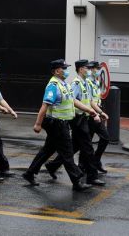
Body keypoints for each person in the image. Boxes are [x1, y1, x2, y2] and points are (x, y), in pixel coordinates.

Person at [22, 59, 92, 191]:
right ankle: (77, 181)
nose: (66, 70)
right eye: (64, 68)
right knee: (67, 152)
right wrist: (38, 124)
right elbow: (44, 106)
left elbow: (73, 101)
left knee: (47, 150)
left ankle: (29, 173)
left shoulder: (63, 84)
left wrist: (89, 110)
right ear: (56, 71)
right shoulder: (53, 86)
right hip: (56, 124)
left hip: (62, 123)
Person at [42, 60, 105, 187]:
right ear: (81, 69)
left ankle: (52, 165)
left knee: (74, 147)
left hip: (83, 118)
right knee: (87, 148)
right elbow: (73, 100)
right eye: (87, 68)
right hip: (77, 119)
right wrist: (90, 111)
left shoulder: (85, 82)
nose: (90, 70)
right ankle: (91, 177)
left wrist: (96, 112)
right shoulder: (75, 83)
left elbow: (89, 100)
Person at [86, 61, 110, 174]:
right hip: (92, 114)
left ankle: (90, 163)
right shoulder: (87, 82)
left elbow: (97, 98)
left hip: (94, 112)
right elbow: (90, 101)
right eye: (96, 68)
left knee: (85, 143)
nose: (98, 70)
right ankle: (94, 162)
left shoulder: (96, 81)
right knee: (104, 137)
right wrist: (100, 113)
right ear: (91, 69)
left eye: (99, 68)